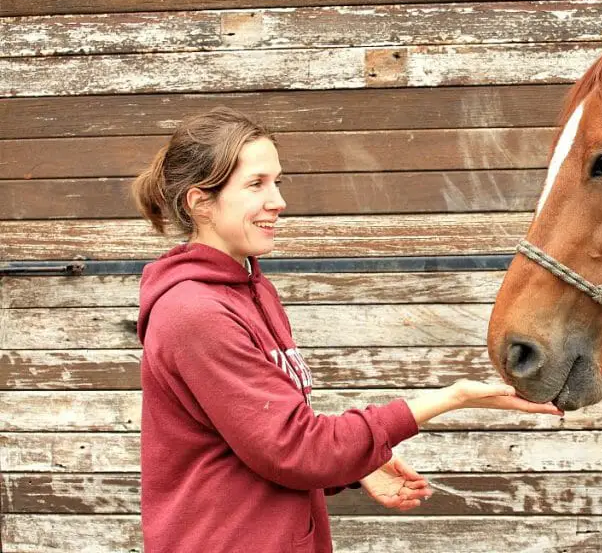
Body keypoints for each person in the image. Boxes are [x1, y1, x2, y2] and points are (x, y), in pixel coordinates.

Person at [131, 107, 560, 553]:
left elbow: (264, 439)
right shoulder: (195, 312)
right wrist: (450, 398)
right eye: (256, 184)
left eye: (278, 182)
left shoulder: (253, 291)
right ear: (200, 202)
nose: (278, 201)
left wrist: (356, 465)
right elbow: (294, 447)